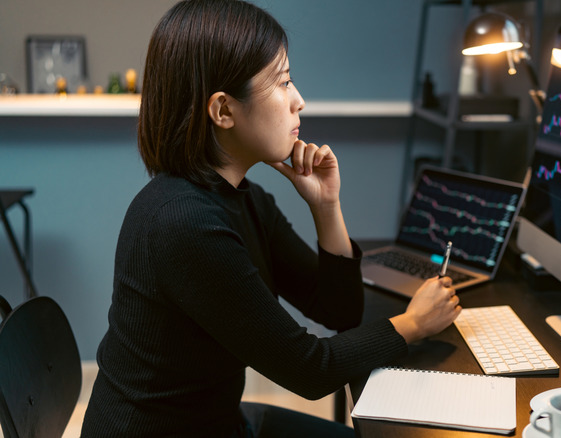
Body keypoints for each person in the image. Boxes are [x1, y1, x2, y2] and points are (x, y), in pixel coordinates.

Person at [80, 1, 461, 437]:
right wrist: (413, 324)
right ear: (223, 111)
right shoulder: (184, 225)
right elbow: (309, 370)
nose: (299, 100)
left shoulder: (245, 199)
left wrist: (325, 206)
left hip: (217, 422)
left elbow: (339, 311)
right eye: (282, 83)